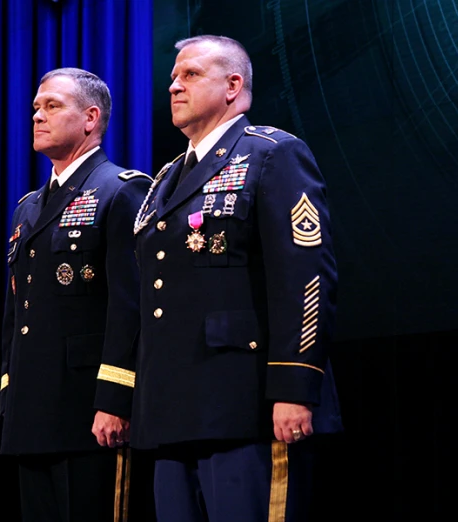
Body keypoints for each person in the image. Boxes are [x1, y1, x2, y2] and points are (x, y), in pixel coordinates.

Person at [130, 35, 343, 521]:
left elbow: (306, 277)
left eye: (190, 75)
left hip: (244, 405)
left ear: (232, 85)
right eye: (172, 78)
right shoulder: (165, 179)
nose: (174, 87)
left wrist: (294, 386)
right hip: (172, 408)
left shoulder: (272, 154)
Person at [0, 67, 153, 522]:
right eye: (35, 108)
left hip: (89, 410)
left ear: (90, 118)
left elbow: (130, 305)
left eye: (52, 106)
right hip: (33, 409)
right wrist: (11, 392)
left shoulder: (121, 191)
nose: (37, 117)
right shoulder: (28, 206)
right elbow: (16, 312)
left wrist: (114, 398)